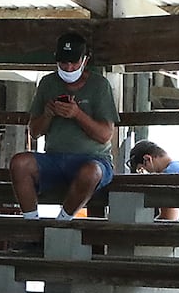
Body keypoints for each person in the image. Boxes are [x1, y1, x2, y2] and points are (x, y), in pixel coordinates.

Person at [9, 31, 118, 219]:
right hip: (53, 158)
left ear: (85, 60)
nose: (68, 67)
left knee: (91, 172)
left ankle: (63, 221)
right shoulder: (47, 83)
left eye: (73, 62)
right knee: (19, 163)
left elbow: (105, 135)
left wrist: (77, 114)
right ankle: (31, 222)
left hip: (93, 158)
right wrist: (48, 114)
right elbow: (34, 132)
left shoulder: (100, 86)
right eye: (63, 62)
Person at [128, 139, 179, 221]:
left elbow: (169, 219)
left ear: (148, 159)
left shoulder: (167, 176)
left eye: (142, 169)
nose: (146, 172)